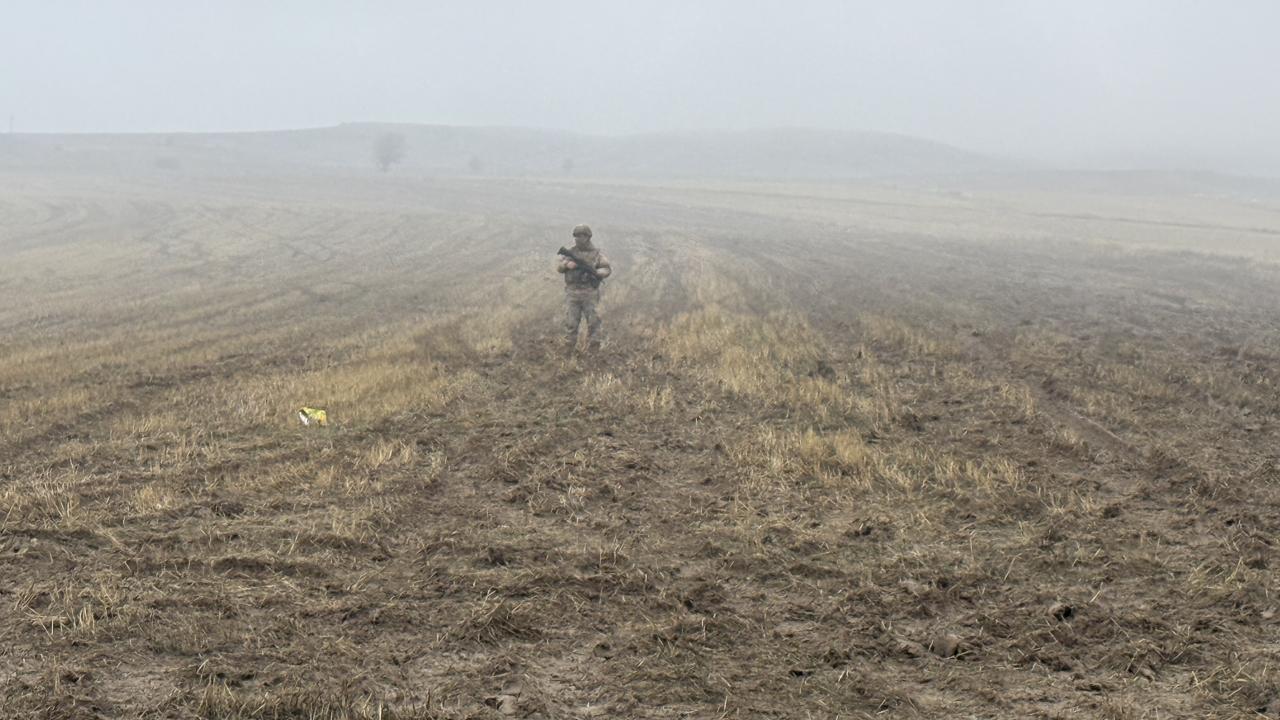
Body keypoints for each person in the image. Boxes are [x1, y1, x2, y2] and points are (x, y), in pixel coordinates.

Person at [556, 224, 612, 352]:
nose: (578, 239)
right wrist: (566, 264)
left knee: (593, 321)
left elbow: (607, 269)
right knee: (571, 322)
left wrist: (597, 273)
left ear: (588, 237)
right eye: (576, 236)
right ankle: (568, 348)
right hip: (572, 292)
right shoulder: (570, 252)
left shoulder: (597, 254)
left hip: (589, 293)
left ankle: (594, 348)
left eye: (581, 236)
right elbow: (559, 268)